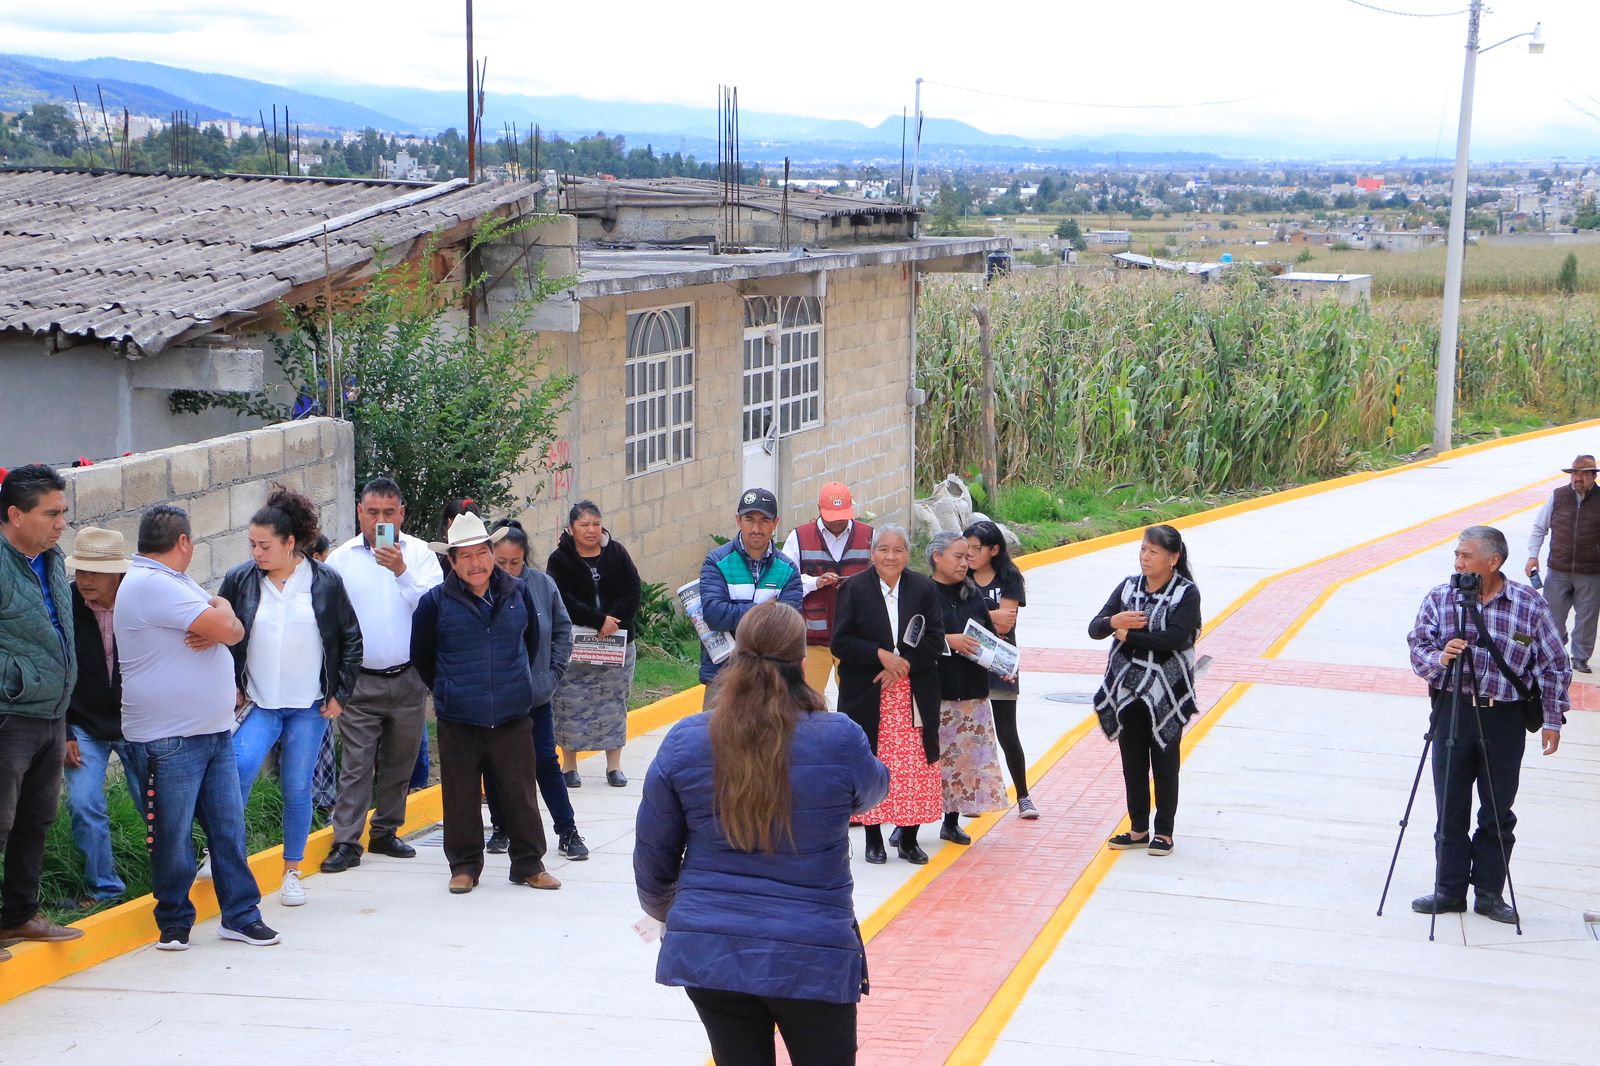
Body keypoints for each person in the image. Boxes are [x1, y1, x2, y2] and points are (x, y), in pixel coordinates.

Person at [634, 601, 888, 1066]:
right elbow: (872, 792)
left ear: (735, 656)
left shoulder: (687, 739)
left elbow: (653, 856)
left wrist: (681, 912)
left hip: (712, 948)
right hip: (812, 950)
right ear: (800, 662)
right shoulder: (838, 737)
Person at [116, 505, 279, 950]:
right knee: (173, 835)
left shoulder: (175, 582)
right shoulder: (153, 584)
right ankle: (173, 921)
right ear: (184, 542)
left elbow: (229, 625)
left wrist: (222, 613)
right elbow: (230, 630)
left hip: (210, 733)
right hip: (170, 739)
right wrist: (222, 617)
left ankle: (241, 916)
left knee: (228, 829)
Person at [1407, 525, 1570, 924]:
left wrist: (1553, 719)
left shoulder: (1530, 604)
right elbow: (1417, 649)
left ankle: (1489, 894)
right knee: (1451, 807)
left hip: (1505, 718)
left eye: (1465, 556)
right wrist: (1440, 659)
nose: (1458, 562)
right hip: (1453, 712)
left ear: (1493, 562)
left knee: (1497, 810)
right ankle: (1448, 891)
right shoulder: (1440, 599)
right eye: (1457, 555)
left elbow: (1553, 665)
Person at [218, 485, 362, 907]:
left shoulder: (325, 581)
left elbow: (351, 640)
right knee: (237, 769)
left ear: (290, 543)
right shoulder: (241, 580)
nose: (257, 553)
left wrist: (341, 694)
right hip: (261, 703)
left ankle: (292, 871)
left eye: (265, 545)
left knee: (297, 787)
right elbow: (223, 635)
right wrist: (233, 683)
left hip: (309, 707)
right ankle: (224, 855)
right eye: (252, 544)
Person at [411, 512, 562, 893]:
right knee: (460, 796)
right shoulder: (434, 604)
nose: (476, 563)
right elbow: (422, 657)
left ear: (491, 553)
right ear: (452, 561)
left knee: (520, 793)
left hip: (512, 713)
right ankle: (464, 866)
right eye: (465, 556)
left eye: (482, 553)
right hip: (459, 717)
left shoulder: (517, 592)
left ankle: (529, 864)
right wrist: (449, 689)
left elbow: (529, 645)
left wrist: (514, 685)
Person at [321, 478, 442, 874]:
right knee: (357, 763)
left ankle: (386, 830)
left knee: (400, 761)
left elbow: (433, 606)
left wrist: (401, 571)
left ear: (401, 514)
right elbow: (330, 622)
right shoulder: (340, 560)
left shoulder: (421, 554)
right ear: (360, 513)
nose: (380, 520)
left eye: (389, 513)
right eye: (372, 512)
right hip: (359, 680)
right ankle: (346, 841)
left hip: (408, 677)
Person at [0, 465, 85, 959]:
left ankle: (17, 917)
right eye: (51, 513)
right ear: (15, 514)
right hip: (9, 715)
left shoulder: (50, 559)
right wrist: (16, 680)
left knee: (36, 820)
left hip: (50, 715)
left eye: (63, 513)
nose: (60, 524)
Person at [831, 524, 946, 865]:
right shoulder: (853, 588)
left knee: (913, 766)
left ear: (908, 554)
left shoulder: (922, 587)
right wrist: (881, 656)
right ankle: (873, 838)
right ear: (872, 553)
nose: (891, 556)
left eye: (898, 550)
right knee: (872, 761)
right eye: (884, 549)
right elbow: (841, 640)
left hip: (913, 691)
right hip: (869, 690)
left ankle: (909, 838)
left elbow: (935, 637)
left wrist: (904, 665)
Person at [1088, 525, 1202, 858]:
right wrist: (1113, 622)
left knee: (1165, 762)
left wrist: (1128, 636)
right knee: (1132, 761)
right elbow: (1095, 627)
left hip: (1167, 691)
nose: (1145, 557)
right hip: (1127, 690)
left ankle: (1164, 831)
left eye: (1153, 551)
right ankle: (1139, 828)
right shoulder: (1127, 588)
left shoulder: (1186, 593)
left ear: (1173, 558)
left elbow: (1176, 639)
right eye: (1142, 550)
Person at [485, 518, 586, 861]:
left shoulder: (543, 586)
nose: (510, 570)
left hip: (536, 695)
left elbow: (561, 630)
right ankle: (500, 828)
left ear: (526, 557)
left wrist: (552, 673)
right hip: (495, 698)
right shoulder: (482, 588)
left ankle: (567, 831)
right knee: (496, 764)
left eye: (516, 562)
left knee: (545, 760)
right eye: (502, 563)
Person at [545, 501, 643, 790]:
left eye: (596, 524)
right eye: (584, 525)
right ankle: (570, 765)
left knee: (614, 702)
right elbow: (562, 598)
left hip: (618, 642)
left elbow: (632, 590)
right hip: (576, 645)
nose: (591, 530)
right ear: (571, 528)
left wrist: (614, 621)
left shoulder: (617, 553)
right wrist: (597, 620)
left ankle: (614, 766)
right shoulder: (559, 560)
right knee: (569, 704)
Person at [64, 526, 137, 907]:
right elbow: (53, 665)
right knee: (82, 801)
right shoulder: (64, 602)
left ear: (117, 573)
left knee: (158, 804)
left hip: (138, 724)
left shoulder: (140, 598)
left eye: (94, 573)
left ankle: (176, 877)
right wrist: (63, 731)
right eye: (81, 572)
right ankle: (105, 889)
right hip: (83, 725)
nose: (85, 581)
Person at [927, 532, 1010, 846]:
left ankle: (951, 821)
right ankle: (907, 824)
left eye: (968, 557)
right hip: (936, 691)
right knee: (929, 761)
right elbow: (914, 637)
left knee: (963, 763)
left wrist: (1004, 663)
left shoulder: (971, 593)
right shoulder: (922, 592)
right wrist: (950, 640)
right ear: (937, 557)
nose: (966, 563)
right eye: (958, 557)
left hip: (971, 691)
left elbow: (987, 636)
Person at [964, 520, 1037, 819]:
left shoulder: (1009, 577)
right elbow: (951, 619)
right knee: (968, 733)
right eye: (966, 548)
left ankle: (1023, 795)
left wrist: (970, 616)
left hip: (1001, 665)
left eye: (976, 549)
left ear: (994, 550)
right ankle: (971, 799)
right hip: (966, 664)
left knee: (1007, 733)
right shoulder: (961, 576)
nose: (969, 554)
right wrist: (988, 617)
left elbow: (1007, 621)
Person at [698, 488, 803, 685]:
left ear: (776, 523)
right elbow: (714, 615)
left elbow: (788, 625)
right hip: (723, 675)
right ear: (738, 520)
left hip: (773, 677)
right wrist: (766, 609)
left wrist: (736, 612)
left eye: (764, 520)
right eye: (749, 519)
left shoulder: (788, 569)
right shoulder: (717, 561)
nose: (756, 528)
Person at [779, 482, 874, 698]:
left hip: (855, 636)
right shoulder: (799, 538)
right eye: (833, 515)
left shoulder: (870, 536)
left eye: (843, 514)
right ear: (818, 509)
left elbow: (881, 580)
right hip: (811, 639)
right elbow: (785, 582)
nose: (839, 521)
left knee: (857, 701)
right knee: (805, 702)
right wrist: (815, 582)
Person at [1524, 454, 1600, 674]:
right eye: (1574, 473)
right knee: (1551, 616)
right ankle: (1557, 649)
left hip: (1591, 571)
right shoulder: (1557, 497)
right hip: (1557, 569)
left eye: (1583, 474)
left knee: (1587, 617)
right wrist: (1532, 555)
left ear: (1593, 476)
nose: (1577, 478)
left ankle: (1580, 657)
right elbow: (1539, 528)